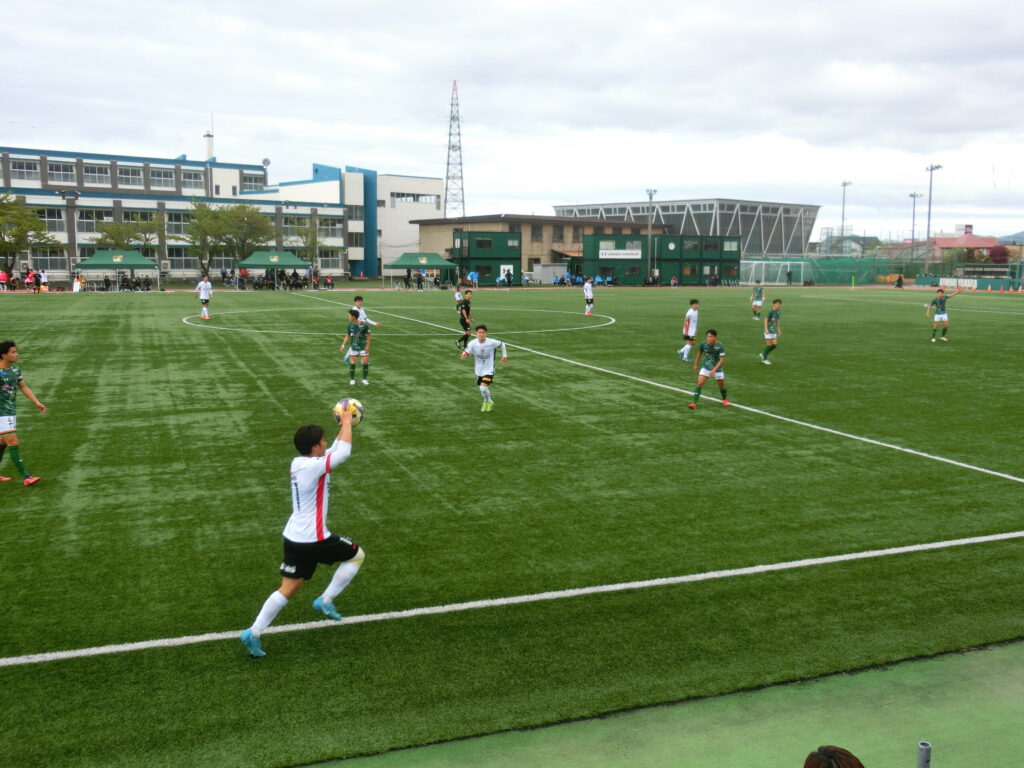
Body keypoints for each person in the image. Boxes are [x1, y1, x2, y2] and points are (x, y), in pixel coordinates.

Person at [239, 411, 364, 658]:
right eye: (323, 440)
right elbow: (343, 454)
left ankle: (253, 632)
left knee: (288, 588)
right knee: (357, 556)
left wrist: (343, 425)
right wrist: (349, 422)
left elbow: (335, 450)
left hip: (294, 537)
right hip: (314, 539)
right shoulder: (313, 467)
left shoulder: (300, 463)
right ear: (315, 447)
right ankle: (326, 600)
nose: (326, 443)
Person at [0, 340, 46, 486]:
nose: (16, 354)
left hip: (10, 411)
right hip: (2, 413)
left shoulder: (15, 369)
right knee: (12, 441)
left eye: (16, 351)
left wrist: (36, 402)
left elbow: (23, 386)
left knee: (2, 441)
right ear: (4, 355)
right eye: (13, 352)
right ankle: (26, 477)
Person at [460, 324, 507, 412]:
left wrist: (504, 356)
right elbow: (467, 351)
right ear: (476, 333)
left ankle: (489, 401)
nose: (481, 334)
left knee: (483, 388)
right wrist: (464, 354)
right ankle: (487, 401)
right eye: (479, 332)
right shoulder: (472, 343)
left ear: (486, 333)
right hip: (478, 371)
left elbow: (502, 344)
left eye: (483, 332)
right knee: (482, 390)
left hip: (489, 370)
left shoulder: (491, 342)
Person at [688, 329, 728, 409]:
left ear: (715, 337)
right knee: (699, 383)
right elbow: (699, 354)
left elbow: (722, 359)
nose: (709, 338)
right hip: (706, 366)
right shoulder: (703, 344)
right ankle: (694, 403)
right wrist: (695, 364)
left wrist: (714, 370)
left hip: (717, 368)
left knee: (721, 385)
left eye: (711, 336)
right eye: (708, 336)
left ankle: (724, 399)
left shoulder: (720, 346)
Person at [341, 308, 372, 386]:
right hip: (354, 347)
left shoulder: (364, 325)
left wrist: (368, 346)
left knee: (365, 362)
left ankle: (364, 379)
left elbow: (369, 334)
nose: (348, 317)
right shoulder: (350, 325)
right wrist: (343, 345)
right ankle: (352, 379)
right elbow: (347, 335)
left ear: (353, 317)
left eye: (349, 315)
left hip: (363, 347)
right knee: (353, 363)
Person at [760, 298, 782, 364]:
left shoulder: (778, 311)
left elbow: (777, 321)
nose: (778, 305)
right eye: (776, 304)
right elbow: (765, 320)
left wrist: (778, 329)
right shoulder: (770, 311)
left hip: (773, 330)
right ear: (774, 304)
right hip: (768, 330)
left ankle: (763, 353)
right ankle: (764, 359)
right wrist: (766, 329)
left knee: (774, 345)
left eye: (779, 304)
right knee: (769, 344)